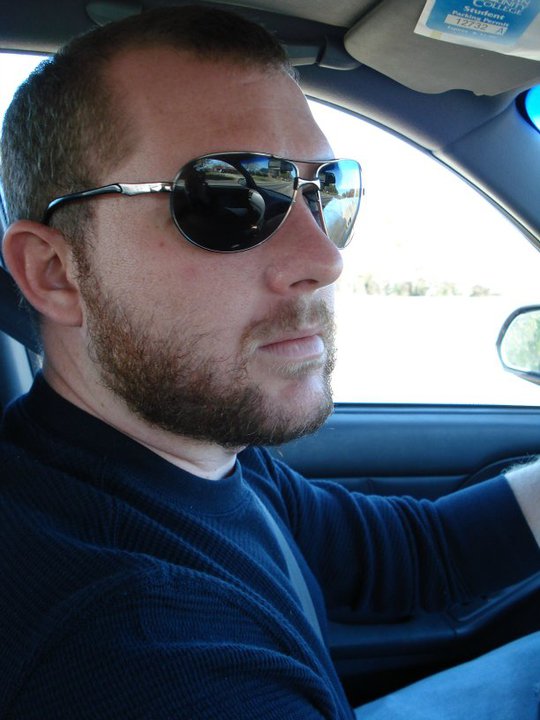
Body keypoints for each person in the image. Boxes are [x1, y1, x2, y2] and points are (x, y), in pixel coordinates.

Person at [0, 6, 539, 719]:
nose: (325, 258)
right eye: (231, 198)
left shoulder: (195, 450)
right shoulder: (134, 650)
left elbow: (415, 555)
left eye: (328, 192)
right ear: (56, 273)